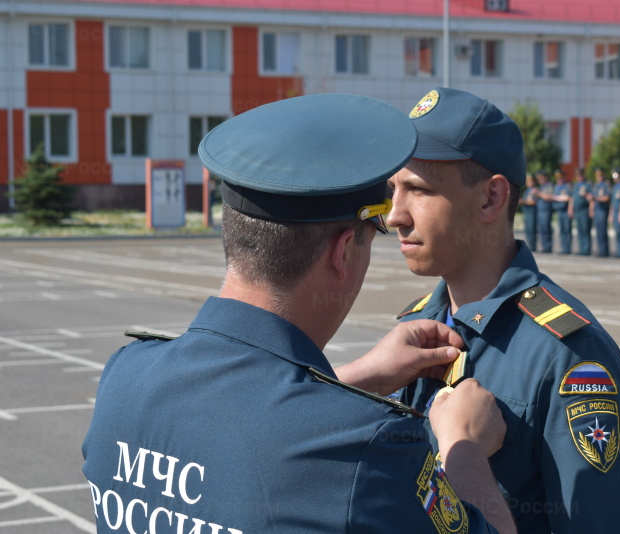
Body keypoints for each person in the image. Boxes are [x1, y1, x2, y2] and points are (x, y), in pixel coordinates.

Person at [82, 94, 517, 534]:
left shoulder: (125, 377)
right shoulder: (363, 449)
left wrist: (354, 377)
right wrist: (465, 451)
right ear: (343, 252)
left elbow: (239, 417)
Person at [389, 87, 620, 533]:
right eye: (393, 189)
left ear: (491, 198)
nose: (395, 215)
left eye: (419, 190)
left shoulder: (569, 356)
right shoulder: (414, 329)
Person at [569, 167, 592, 255]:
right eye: (577, 175)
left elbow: (591, 198)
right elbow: (572, 198)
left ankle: (586, 249)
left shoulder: (587, 185)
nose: (579, 177)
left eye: (580, 175)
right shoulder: (576, 186)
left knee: (585, 230)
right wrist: (570, 209)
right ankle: (582, 249)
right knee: (580, 230)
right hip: (577, 211)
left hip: (584, 210)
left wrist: (590, 210)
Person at [590, 167, 611, 257]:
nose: (599, 177)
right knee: (598, 232)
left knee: (602, 231)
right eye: (598, 175)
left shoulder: (606, 185)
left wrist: (596, 198)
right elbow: (592, 199)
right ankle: (600, 250)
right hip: (597, 210)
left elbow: (606, 198)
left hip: (603, 210)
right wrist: (591, 210)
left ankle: (604, 250)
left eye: (601, 175)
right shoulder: (595, 186)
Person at [552, 170, 572, 254]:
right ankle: (563, 248)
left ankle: (567, 248)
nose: (559, 180)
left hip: (565, 211)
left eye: (561, 178)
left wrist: (556, 197)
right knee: (561, 231)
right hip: (559, 211)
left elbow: (567, 197)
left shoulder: (567, 187)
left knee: (567, 230)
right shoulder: (556, 187)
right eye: (558, 178)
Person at [535, 170, 554, 253]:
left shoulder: (549, 186)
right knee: (542, 229)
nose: (540, 180)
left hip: (546, 210)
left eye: (541, 178)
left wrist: (539, 193)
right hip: (540, 211)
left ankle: (548, 246)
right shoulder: (541, 187)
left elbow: (549, 197)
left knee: (546, 228)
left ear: (545, 178)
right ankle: (544, 246)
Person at [519, 173, 538, 251]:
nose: (529, 183)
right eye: (528, 182)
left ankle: (533, 246)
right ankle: (530, 245)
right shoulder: (527, 191)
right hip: (526, 212)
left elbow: (533, 202)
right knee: (527, 230)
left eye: (530, 182)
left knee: (531, 229)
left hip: (531, 212)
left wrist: (523, 201)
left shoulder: (534, 190)